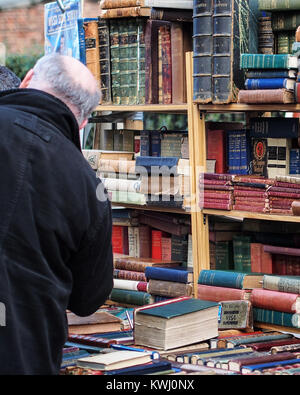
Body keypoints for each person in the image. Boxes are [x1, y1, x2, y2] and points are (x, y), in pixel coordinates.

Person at [0, 53, 113, 375]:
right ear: (83, 122)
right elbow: (88, 298)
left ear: (27, 79)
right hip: (25, 354)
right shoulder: (89, 185)